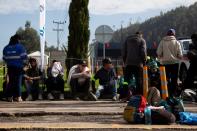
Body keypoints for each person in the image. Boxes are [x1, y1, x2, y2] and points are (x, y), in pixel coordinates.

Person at [157, 29, 182, 96]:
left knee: (165, 79)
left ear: (167, 34)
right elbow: (180, 55)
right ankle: (173, 94)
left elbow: (158, 52)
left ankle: (165, 93)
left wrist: (162, 57)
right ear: (174, 34)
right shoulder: (177, 42)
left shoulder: (162, 42)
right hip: (175, 63)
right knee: (174, 79)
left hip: (164, 63)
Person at [3, 34, 27, 102]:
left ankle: (10, 97)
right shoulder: (21, 47)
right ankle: (18, 97)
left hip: (10, 67)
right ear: (18, 40)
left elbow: (5, 58)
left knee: (11, 82)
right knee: (18, 82)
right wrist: (24, 64)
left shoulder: (6, 48)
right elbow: (24, 57)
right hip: (19, 68)